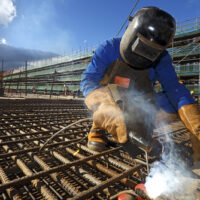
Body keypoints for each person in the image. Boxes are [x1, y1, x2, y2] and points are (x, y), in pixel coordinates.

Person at [80, 7, 200, 164]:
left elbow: (175, 89)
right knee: (107, 98)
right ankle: (98, 129)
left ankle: (142, 131)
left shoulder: (162, 58)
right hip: (114, 97)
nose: (142, 54)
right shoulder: (109, 48)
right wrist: (102, 104)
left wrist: (195, 123)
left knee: (172, 105)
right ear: (131, 34)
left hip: (141, 100)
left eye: (151, 51)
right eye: (142, 46)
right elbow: (88, 79)